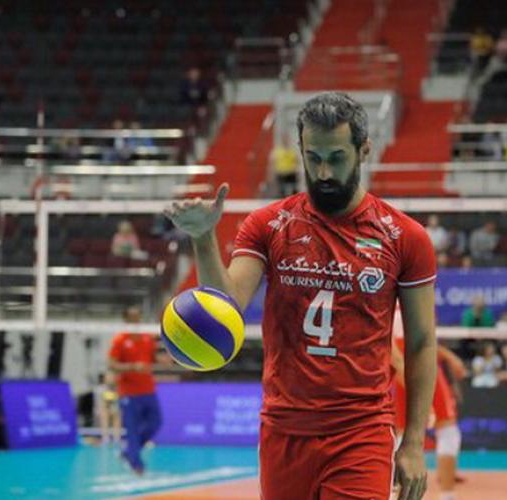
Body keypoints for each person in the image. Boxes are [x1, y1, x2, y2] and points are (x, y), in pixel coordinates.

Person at [164, 92, 437, 499]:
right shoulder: (268, 224)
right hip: (284, 429)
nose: (323, 172)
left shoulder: (405, 237)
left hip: (361, 431)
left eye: (337, 158)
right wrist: (203, 237)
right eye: (313, 157)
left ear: (364, 150)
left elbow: (421, 341)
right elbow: (227, 305)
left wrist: (413, 441)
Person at [392, 308, 464, 500]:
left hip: (404, 369)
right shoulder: (410, 299)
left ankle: (397, 495)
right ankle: (446, 496)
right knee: (447, 430)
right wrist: (422, 397)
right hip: (418, 371)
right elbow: (405, 350)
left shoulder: (395, 303)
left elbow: (421, 341)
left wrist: (448, 356)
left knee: (402, 435)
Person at [108, 306, 161, 474]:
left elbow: (153, 360)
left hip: (148, 390)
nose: (136, 321)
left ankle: (128, 452)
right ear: (126, 320)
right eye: (132, 318)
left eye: (138, 317)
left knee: (156, 423)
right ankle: (136, 464)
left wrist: (164, 360)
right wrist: (132, 367)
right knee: (132, 429)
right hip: (129, 393)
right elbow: (112, 365)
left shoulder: (147, 338)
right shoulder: (119, 340)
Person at [94, 372, 121, 445]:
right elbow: (102, 403)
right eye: (108, 377)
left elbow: (118, 400)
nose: (110, 379)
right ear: (105, 379)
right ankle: (105, 438)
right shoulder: (99, 388)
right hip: (102, 410)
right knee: (104, 413)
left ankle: (117, 438)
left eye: (112, 377)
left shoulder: (118, 388)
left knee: (117, 413)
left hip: (114, 409)